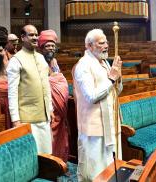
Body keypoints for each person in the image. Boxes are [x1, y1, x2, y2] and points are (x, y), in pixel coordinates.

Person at [73, 28, 123, 181]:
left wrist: (118, 77)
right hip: (94, 128)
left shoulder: (105, 63)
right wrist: (112, 79)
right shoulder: (83, 65)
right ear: (89, 45)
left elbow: (116, 92)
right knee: (95, 170)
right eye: (101, 43)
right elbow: (91, 96)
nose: (106, 45)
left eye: (107, 42)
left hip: (110, 123)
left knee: (110, 166)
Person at [7, 25, 53, 154]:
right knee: (31, 156)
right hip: (26, 118)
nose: (35, 37)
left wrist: (50, 109)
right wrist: (15, 119)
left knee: (46, 154)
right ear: (23, 37)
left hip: (44, 116)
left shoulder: (40, 57)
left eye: (36, 35)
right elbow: (12, 92)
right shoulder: (16, 60)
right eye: (31, 35)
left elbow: (46, 86)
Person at [38, 29, 69, 162]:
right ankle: (50, 162)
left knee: (59, 135)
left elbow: (59, 80)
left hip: (59, 109)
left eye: (52, 46)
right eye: (47, 46)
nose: (50, 48)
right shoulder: (38, 61)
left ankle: (60, 159)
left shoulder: (54, 61)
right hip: (46, 106)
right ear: (41, 48)